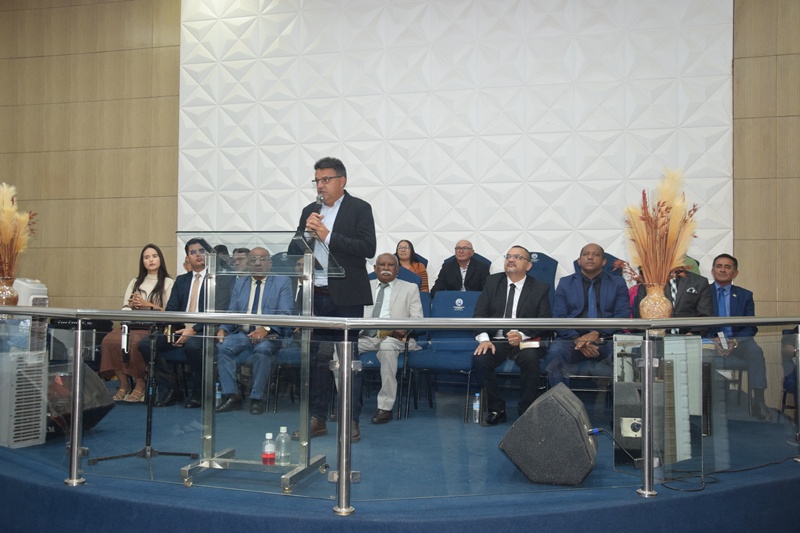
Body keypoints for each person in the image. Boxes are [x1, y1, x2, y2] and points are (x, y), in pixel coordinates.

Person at [288, 157, 376, 442]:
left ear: (342, 181)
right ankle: (318, 418)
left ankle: (351, 420)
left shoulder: (359, 208)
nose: (320, 186)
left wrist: (328, 236)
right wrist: (306, 233)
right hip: (316, 296)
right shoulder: (309, 211)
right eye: (317, 180)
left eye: (326, 180)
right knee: (317, 361)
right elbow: (293, 250)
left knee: (349, 361)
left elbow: (368, 247)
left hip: (346, 296)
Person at [473, 245, 551, 424]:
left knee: (530, 359)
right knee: (480, 359)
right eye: (508, 256)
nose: (511, 259)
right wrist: (484, 339)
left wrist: (522, 335)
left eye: (517, 257)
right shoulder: (493, 282)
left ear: (528, 265)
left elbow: (544, 321)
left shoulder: (540, 288)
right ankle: (496, 409)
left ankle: (526, 412)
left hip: (526, 341)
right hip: (497, 340)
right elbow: (479, 315)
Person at [215, 248, 293, 415]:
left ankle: (257, 398)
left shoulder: (282, 282)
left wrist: (266, 328)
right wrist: (223, 328)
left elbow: (285, 313)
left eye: (262, 259)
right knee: (223, 347)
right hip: (243, 333)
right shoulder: (240, 283)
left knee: (262, 350)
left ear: (270, 263)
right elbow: (232, 311)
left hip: (271, 334)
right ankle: (233, 396)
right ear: (248, 263)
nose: (258, 263)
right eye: (253, 260)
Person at [140, 237, 213, 408]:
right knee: (147, 344)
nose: (198, 255)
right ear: (187, 257)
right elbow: (172, 309)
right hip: (180, 329)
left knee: (193, 346)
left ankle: (199, 393)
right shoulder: (181, 280)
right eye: (193, 252)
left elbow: (218, 312)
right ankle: (172, 388)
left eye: (202, 251)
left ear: (209, 255)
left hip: (204, 330)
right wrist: (171, 330)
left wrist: (194, 329)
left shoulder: (216, 279)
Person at [546, 243, 631, 387]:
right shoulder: (566, 283)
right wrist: (578, 340)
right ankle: (560, 400)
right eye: (585, 254)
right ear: (579, 261)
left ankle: (618, 400)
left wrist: (596, 333)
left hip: (607, 338)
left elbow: (622, 315)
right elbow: (558, 317)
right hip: (572, 339)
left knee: (623, 356)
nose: (590, 257)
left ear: (603, 262)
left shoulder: (617, 283)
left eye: (596, 254)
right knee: (556, 353)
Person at [99, 244, 174, 402]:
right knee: (109, 341)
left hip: (154, 327)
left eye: (154, 256)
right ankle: (124, 384)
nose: (151, 260)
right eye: (146, 257)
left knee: (135, 343)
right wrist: (132, 307)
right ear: (142, 262)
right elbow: (125, 306)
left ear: (160, 259)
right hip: (132, 324)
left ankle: (140, 384)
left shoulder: (168, 282)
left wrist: (146, 305)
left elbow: (169, 311)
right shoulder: (135, 282)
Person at [359, 253, 423, 424]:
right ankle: (348, 401)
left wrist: (404, 328)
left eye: (390, 265)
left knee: (387, 348)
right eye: (382, 265)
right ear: (375, 268)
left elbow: (417, 319)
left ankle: (385, 407)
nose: (386, 268)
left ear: (397, 269)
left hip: (395, 338)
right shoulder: (365, 286)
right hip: (367, 336)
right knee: (339, 351)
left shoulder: (410, 288)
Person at [707, 253, 771, 420]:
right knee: (698, 352)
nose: (722, 270)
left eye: (727, 267)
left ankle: (759, 402)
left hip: (738, 341)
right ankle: (704, 403)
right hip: (711, 340)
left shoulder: (745, 295)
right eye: (719, 266)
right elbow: (697, 321)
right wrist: (713, 340)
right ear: (713, 271)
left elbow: (751, 327)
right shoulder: (703, 293)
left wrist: (734, 342)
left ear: (735, 273)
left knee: (756, 352)